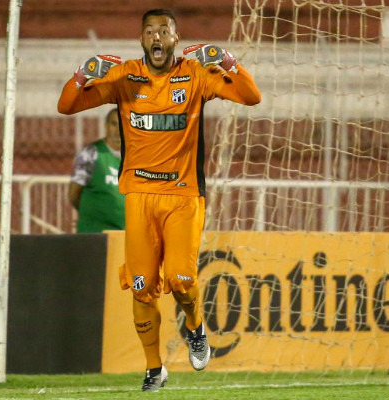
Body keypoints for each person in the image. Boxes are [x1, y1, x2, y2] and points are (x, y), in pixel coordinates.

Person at [57, 9, 261, 392]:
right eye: (149, 31)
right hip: (139, 198)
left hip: (183, 196)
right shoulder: (125, 77)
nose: (156, 37)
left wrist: (228, 62)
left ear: (175, 39)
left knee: (182, 279)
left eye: (163, 31)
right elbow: (66, 105)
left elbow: (251, 96)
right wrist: (83, 74)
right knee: (140, 285)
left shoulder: (196, 75)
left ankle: (196, 327)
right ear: (141, 40)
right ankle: (155, 368)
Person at [69, 108, 125, 233]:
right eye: (114, 124)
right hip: (95, 234)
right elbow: (74, 194)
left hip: (126, 235)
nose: (118, 130)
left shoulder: (137, 157)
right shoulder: (90, 154)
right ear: (106, 126)